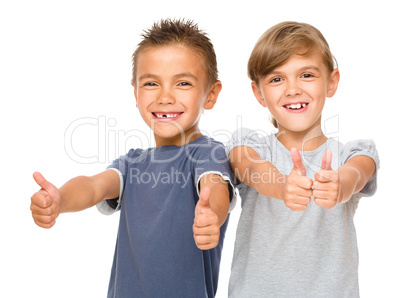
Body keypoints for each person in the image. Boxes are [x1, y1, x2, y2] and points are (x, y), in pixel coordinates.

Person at [30, 19, 235, 298]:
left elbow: (214, 186)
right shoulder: (132, 164)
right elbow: (94, 186)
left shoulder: (208, 153)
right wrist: (60, 200)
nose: (165, 97)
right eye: (151, 83)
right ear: (136, 93)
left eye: (183, 83)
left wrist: (213, 214)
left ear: (210, 95)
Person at [227, 21, 379, 297]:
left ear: (331, 82)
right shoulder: (250, 146)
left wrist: (340, 186)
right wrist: (282, 185)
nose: (292, 89)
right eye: (276, 79)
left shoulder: (351, 155)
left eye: (306, 75)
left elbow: (357, 173)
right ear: (259, 93)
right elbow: (249, 167)